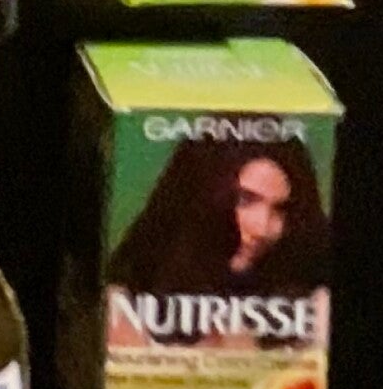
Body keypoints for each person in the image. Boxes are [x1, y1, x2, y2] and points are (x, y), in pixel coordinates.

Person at [110, 134, 332, 337]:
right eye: (245, 200)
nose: (262, 228)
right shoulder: (120, 306)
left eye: (281, 209)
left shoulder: (319, 310)